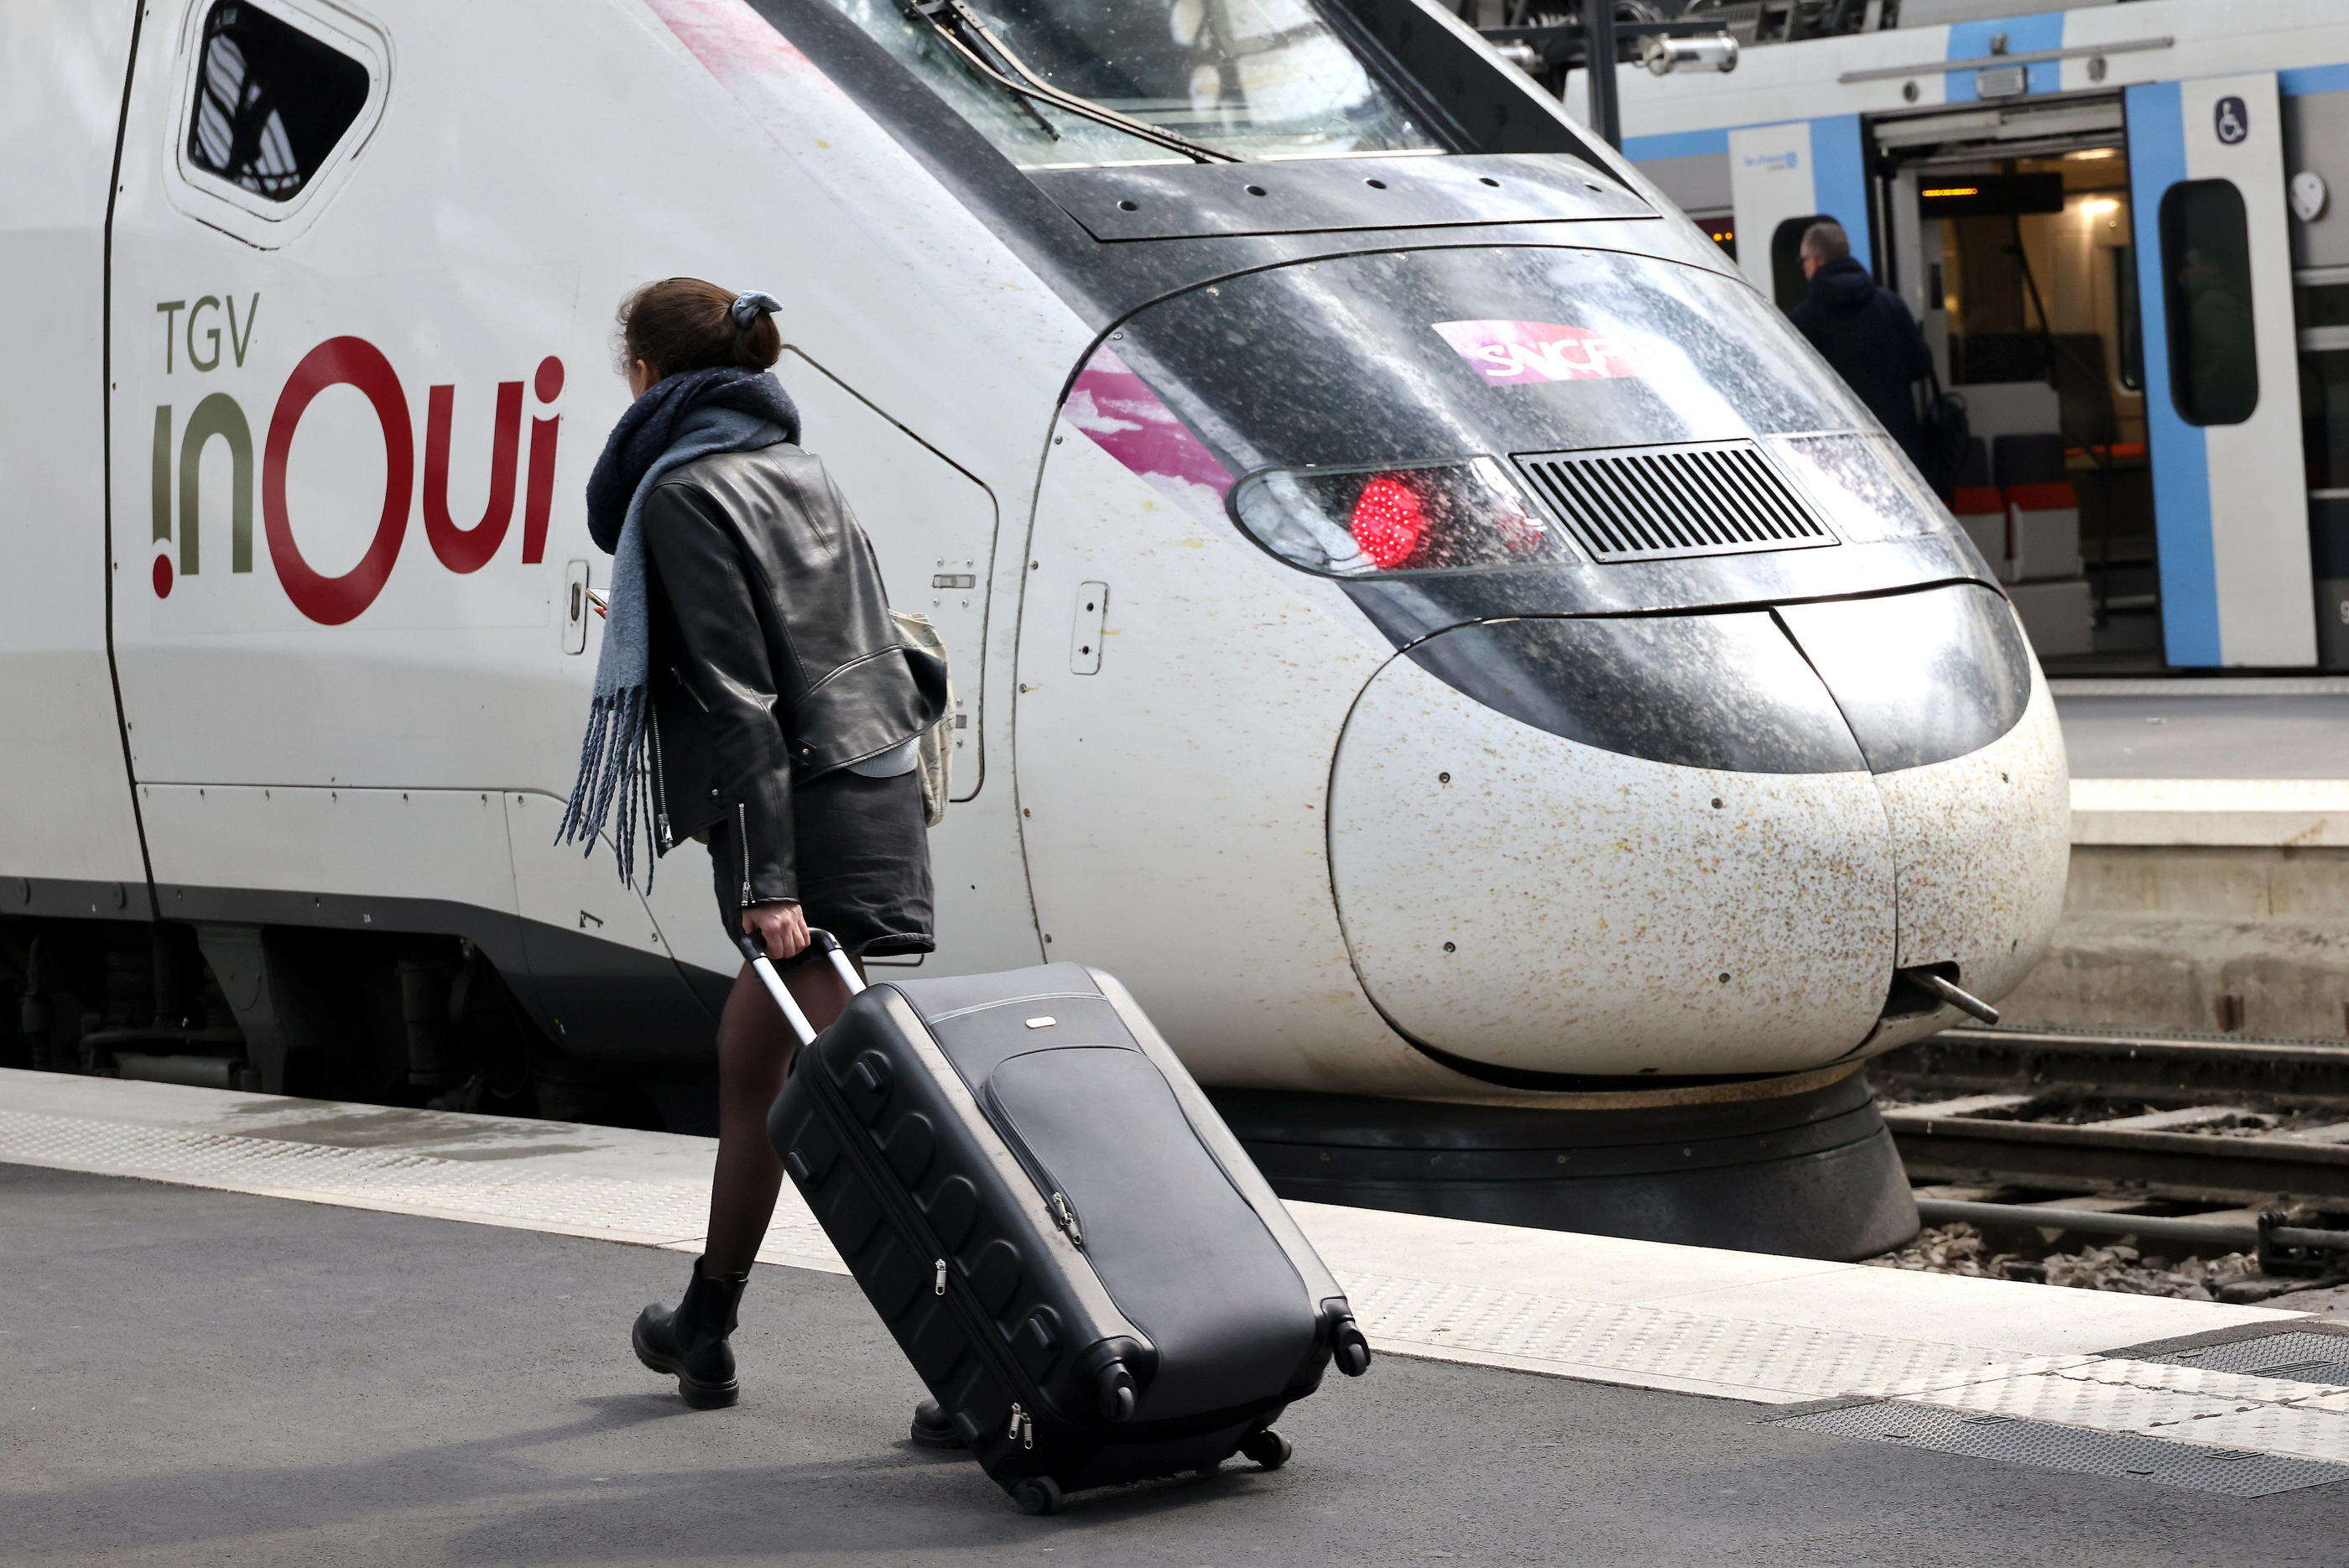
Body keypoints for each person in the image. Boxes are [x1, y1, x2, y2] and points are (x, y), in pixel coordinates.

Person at [555, 277, 947, 1410]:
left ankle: (984, 1350)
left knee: (864, 1106)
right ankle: (703, 1325)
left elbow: (741, 700)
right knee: (755, 1070)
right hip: (867, 783)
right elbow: (844, 642)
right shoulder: (799, 470)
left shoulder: (677, 493)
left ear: (643, 376)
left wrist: (770, 882)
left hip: (799, 819)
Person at [1787, 219, 1935, 473]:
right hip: (1896, 442)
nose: (1804, 268)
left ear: (1816, 260)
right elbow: (1920, 365)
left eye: (1803, 262)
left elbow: (1795, 389)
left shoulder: (1802, 319)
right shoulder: (1890, 304)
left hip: (1841, 450)